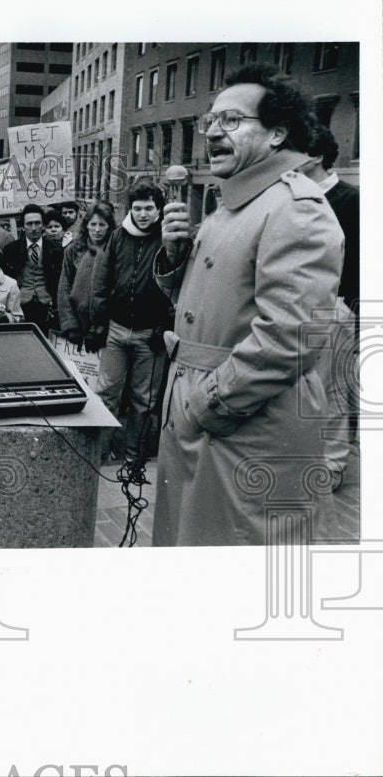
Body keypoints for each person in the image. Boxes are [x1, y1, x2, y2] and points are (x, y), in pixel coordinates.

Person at [155, 64, 343, 546]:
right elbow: (213, 309)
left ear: (278, 133)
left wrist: (207, 404)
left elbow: (290, 337)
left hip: (245, 427)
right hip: (210, 421)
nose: (213, 132)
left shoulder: (295, 207)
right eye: (210, 122)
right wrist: (176, 257)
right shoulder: (233, 204)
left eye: (232, 121)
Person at [89, 180, 172, 463]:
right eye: (137, 208)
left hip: (151, 334)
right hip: (117, 329)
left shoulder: (168, 238)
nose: (143, 214)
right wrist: (99, 323)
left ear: (159, 210)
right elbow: (102, 280)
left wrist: (166, 325)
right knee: (105, 394)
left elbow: (179, 287)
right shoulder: (118, 236)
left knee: (143, 400)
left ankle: (134, 456)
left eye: (149, 208)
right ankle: (99, 452)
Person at [301, 121, 360, 492]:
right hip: (298, 306)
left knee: (334, 390)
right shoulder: (298, 199)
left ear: (318, 157)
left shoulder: (350, 200)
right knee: (303, 387)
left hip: (336, 308)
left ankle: (334, 462)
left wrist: (349, 307)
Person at [58, 201, 117, 347]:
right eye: (93, 224)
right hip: (77, 323)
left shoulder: (115, 251)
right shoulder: (73, 250)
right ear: (86, 225)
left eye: (102, 225)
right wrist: (70, 325)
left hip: (107, 329)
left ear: (109, 227)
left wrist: (100, 328)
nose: (97, 229)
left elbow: (116, 291)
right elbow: (64, 287)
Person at [1, 203, 65, 334]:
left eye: (37, 223)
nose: (34, 228)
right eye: (29, 224)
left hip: (48, 307)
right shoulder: (11, 250)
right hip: (20, 306)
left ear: (43, 225)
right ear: (23, 227)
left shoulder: (57, 250)